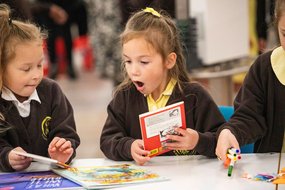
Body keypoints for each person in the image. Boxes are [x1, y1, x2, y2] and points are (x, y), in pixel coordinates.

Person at [100, 7, 225, 165]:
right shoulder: (124, 97)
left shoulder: (194, 96)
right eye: (128, 61)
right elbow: (107, 140)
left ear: (169, 61)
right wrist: (128, 147)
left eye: (144, 62)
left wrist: (198, 141)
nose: (133, 71)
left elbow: (223, 138)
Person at [0, 4, 80, 172]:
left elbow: (68, 134)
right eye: (26, 69)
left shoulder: (51, 91)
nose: (37, 74)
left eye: (39, 64)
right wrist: (7, 156)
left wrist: (63, 150)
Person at [215, 0, 285, 162]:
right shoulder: (265, 68)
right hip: (273, 175)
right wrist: (230, 132)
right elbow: (248, 116)